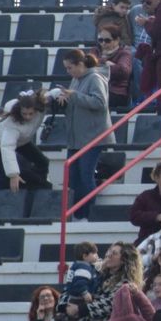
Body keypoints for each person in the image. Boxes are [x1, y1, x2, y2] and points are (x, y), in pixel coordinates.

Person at [52, 49, 111, 220]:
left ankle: (88, 214)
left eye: (70, 68)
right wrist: (64, 101)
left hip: (92, 137)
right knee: (73, 177)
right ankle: (78, 214)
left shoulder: (95, 78)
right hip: (77, 137)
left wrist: (74, 96)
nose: (68, 71)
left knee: (86, 175)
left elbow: (100, 103)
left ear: (80, 64)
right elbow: (76, 101)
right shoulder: (76, 80)